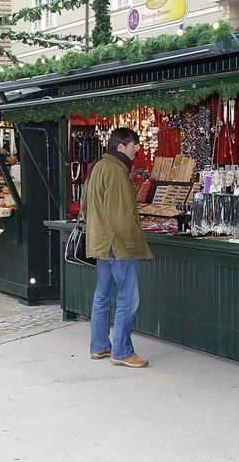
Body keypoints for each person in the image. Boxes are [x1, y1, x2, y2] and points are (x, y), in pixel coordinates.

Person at [84, 127, 153, 368]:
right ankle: (122, 351)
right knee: (127, 299)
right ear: (122, 146)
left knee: (102, 296)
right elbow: (122, 217)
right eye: (134, 145)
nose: (137, 150)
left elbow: (86, 207)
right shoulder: (117, 171)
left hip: (101, 243)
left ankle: (100, 346)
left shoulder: (99, 166)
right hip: (118, 245)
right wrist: (135, 244)